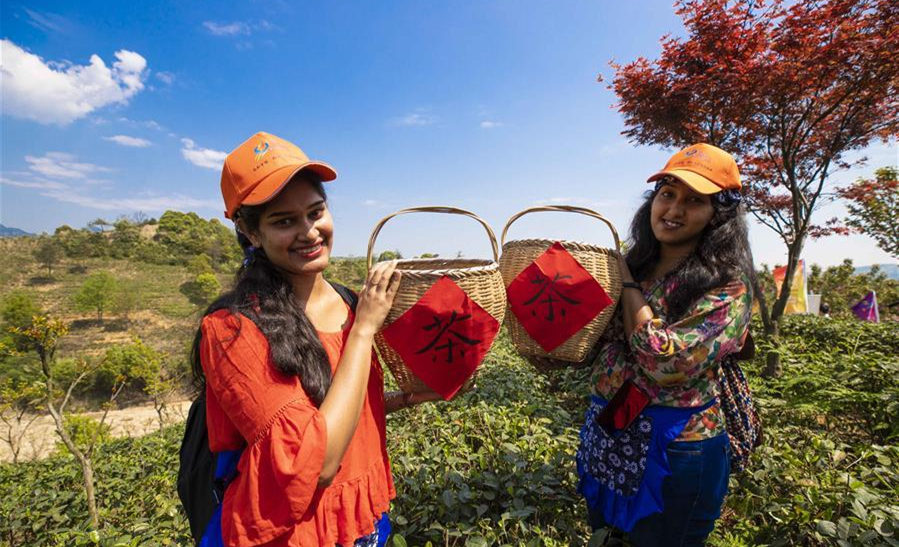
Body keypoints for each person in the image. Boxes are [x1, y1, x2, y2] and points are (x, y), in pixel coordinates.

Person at [190, 131, 438, 546]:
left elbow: (328, 404)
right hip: (298, 532)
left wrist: (399, 399)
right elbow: (314, 462)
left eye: (315, 212)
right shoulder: (233, 331)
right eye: (284, 221)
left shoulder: (350, 301)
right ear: (251, 233)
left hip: (363, 517)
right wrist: (363, 331)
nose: (309, 231)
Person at [542, 143, 755, 546]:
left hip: (676, 449)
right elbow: (592, 343)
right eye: (667, 194)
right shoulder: (635, 264)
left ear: (719, 215)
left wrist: (624, 283)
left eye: (694, 201)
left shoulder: (727, 285)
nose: (673, 210)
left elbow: (667, 363)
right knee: (606, 538)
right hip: (609, 431)